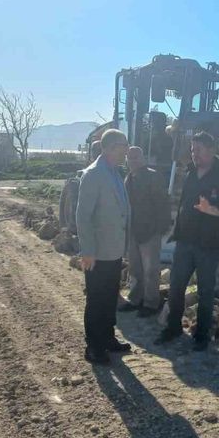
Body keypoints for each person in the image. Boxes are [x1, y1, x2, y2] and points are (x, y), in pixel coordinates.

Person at [155, 131, 219, 351]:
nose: (194, 154)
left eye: (198, 150)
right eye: (192, 150)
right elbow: (184, 203)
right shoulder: (190, 173)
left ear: (212, 150)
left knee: (205, 292)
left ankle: (201, 336)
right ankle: (173, 327)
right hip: (185, 241)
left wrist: (211, 209)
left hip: (209, 245)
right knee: (176, 286)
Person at [76, 129, 132, 364]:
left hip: (113, 250)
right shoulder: (94, 174)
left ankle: (108, 338)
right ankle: (94, 347)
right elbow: (83, 216)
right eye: (123, 146)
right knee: (97, 299)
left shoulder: (115, 172)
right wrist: (87, 251)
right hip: (97, 252)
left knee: (109, 297)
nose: (126, 151)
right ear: (109, 148)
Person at [119, 146, 171, 317]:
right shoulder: (128, 179)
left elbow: (163, 203)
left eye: (136, 157)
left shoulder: (153, 177)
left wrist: (161, 228)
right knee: (135, 268)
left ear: (143, 159)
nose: (133, 160)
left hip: (150, 231)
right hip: (133, 231)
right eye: (130, 158)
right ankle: (135, 299)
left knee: (150, 270)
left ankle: (151, 303)